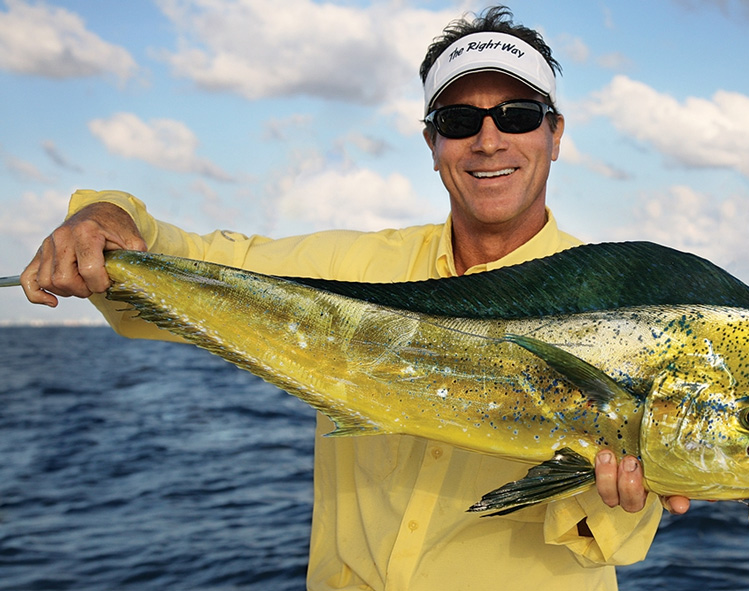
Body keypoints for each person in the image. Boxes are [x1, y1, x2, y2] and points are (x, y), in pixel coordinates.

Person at [21, 6, 689, 590]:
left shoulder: (621, 303)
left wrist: (614, 499)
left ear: (555, 133)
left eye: (516, 115)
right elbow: (190, 262)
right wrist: (104, 215)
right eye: (458, 120)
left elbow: (610, 544)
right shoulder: (351, 265)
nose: (488, 139)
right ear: (431, 144)